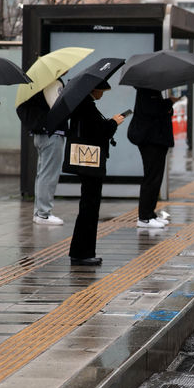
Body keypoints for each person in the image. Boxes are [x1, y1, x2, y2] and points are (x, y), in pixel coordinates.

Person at [67, 82, 125, 267]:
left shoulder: (83, 105)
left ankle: (81, 252)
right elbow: (98, 133)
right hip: (90, 165)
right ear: (94, 89)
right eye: (102, 90)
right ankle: (82, 253)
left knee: (88, 206)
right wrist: (113, 123)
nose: (103, 94)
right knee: (89, 208)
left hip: (88, 164)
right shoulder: (87, 107)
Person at [17, 77, 67, 225]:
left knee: (43, 173)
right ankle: (44, 213)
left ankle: (39, 212)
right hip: (52, 134)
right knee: (48, 174)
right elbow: (58, 107)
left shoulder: (41, 83)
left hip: (42, 134)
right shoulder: (53, 82)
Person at [126, 87, 179, 228]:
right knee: (151, 178)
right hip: (151, 141)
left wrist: (167, 105)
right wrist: (169, 102)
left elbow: (159, 111)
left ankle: (150, 214)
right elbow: (152, 111)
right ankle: (144, 217)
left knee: (156, 178)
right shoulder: (146, 90)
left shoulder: (153, 90)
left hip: (157, 140)